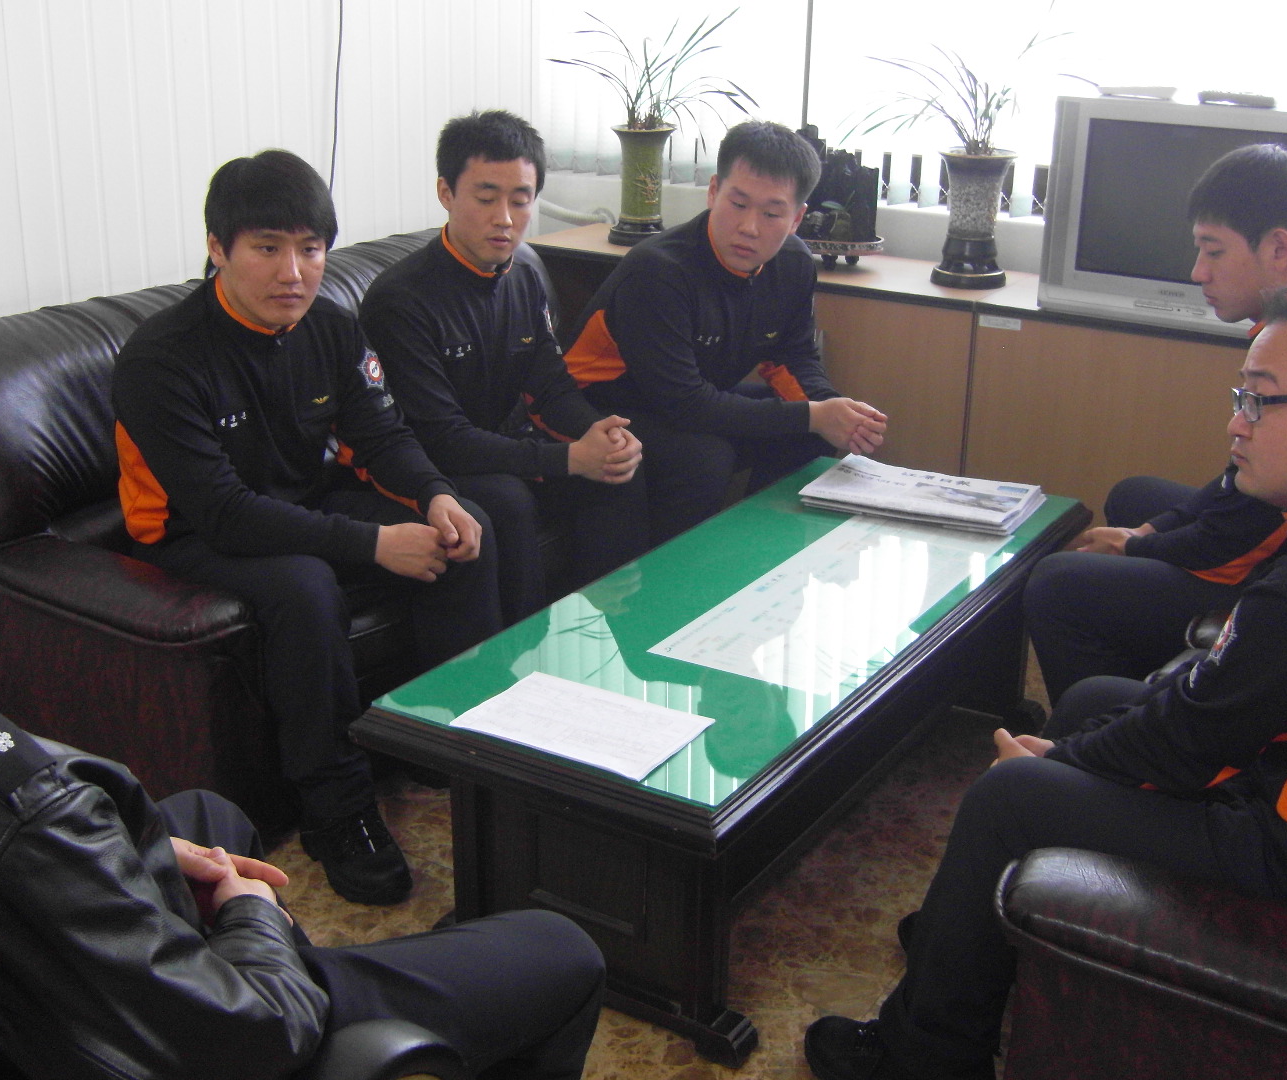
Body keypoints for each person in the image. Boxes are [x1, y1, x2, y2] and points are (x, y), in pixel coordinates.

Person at [0, 274, 605, 1080]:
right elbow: (246, 1029)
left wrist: (127, 847)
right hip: (158, 1031)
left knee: (209, 819)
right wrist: (252, 921)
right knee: (560, 953)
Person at [806, 274, 1287, 1080]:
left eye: (1261, 401)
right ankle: (970, 937)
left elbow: (1186, 744)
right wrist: (1085, 751)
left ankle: (922, 1056)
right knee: (1091, 701)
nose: (1236, 423)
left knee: (1012, 796)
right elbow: (1218, 707)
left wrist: (1062, 765)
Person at [112, 150, 506, 905]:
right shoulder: (161, 358)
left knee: (466, 530)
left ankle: (449, 743)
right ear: (218, 248)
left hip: (304, 499)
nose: (293, 272)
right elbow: (222, 510)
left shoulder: (330, 326)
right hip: (191, 533)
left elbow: (381, 437)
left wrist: (435, 495)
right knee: (305, 587)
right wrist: (374, 545)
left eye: (311, 248)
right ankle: (338, 813)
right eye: (267, 248)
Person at [1025, 143, 1287, 703]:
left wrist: (1137, 548)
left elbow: (1240, 544)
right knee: (1134, 496)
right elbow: (1238, 487)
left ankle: (1106, 725)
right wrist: (1151, 532)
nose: (1197, 272)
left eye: (1213, 251)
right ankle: (1148, 685)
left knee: (1059, 583)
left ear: (1278, 248)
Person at [361, 110, 647, 621]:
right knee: (508, 499)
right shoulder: (400, 300)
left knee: (618, 471)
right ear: (446, 193)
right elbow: (442, 438)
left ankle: (615, 627)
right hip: (428, 464)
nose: (505, 218)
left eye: (520, 199)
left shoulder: (524, 275)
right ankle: (522, 652)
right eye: (486, 197)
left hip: (495, 446)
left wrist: (598, 435)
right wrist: (568, 459)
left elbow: (550, 388)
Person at [563, 119, 889, 544]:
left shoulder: (792, 264)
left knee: (810, 437)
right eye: (738, 204)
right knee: (703, 457)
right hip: (596, 404)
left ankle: (761, 555)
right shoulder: (659, 271)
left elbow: (793, 358)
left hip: (687, 397)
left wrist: (833, 411)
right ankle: (678, 573)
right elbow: (684, 404)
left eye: (771, 213)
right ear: (714, 191)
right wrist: (814, 415)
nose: (749, 227)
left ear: (796, 218)